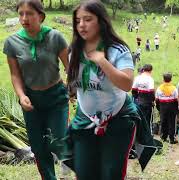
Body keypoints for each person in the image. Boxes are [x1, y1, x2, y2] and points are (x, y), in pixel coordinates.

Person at [67, 1, 139, 179]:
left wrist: (102, 62)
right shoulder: (74, 51)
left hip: (118, 117)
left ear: (101, 21)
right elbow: (74, 86)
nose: (81, 25)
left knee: (111, 173)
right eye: (78, 21)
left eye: (88, 19)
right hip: (86, 117)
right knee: (83, 172)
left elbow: (127, 84)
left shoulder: (118, 50)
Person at [2, 0, 69, 179]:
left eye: (29, 13)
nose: (24, 18)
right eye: (21, 13)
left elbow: (71, 67)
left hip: (56, 98)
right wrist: (21, 95)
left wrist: (74, 86)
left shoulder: (56, 37)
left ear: (41, 16)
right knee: (38, 148)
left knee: (58, 142)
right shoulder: (12, 42)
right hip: (31, 101)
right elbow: (15, 74)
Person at [155, 73, 179, 144]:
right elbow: (176, 99)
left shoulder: (159, 88)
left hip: (162, 106)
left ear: (163, 79)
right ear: (171, 79)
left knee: (163, 121)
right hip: (172, 107)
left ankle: (163, 137)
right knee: (172, 122)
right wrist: (177, 109)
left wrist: (159, 108)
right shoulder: (174, 88)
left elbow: (157, 99)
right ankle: (172, 139)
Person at [132, 64, 155, 130]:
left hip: (139, 100)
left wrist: (136, 98)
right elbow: (151, 91)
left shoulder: (137, 78)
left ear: (143, 70)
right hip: (147, 102)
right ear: (151, 71)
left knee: (139, 118)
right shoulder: (150, 79)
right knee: (147, 120)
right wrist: (152, 100)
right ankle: (147, 135)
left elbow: (133, 90)